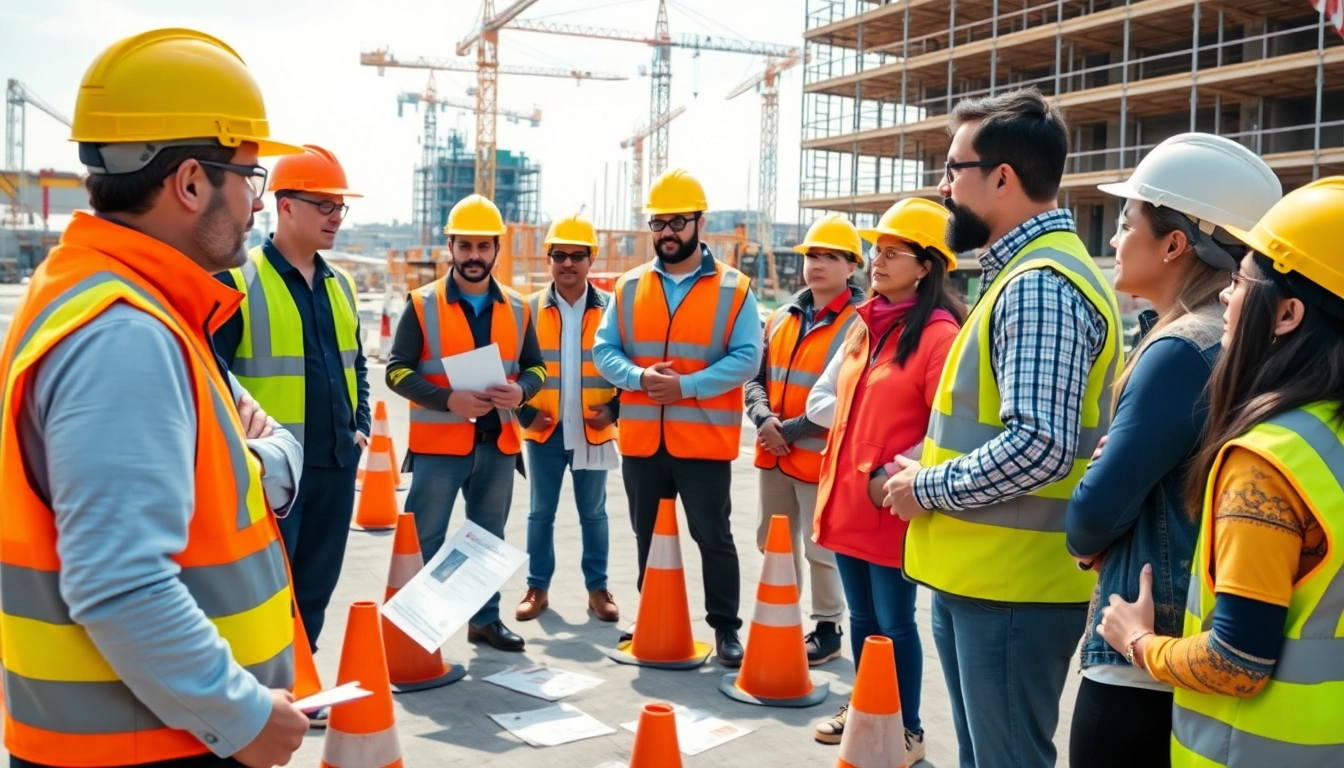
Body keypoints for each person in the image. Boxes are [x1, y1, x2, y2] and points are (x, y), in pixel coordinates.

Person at [0, 28, 312, 768]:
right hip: (149, 748)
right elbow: (121, 582)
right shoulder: (125, 336)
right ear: (192, 183)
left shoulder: (121, 302)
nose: (255, 206)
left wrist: (246, 457)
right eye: (249, 177)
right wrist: (241, 717)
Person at [880, 88, 1125, 768]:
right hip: (989, 581)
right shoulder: (1023, 273)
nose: (942, 187)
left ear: (1002, 179)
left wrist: (926, 487)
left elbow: (1040, 445)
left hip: (1013, 590)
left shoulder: (1040, 284)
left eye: (952, 169)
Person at [1097, 177, 1344, 768]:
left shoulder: (1267, 464)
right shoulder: (1324, 436)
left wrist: (1138, 642)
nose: (1228, 298)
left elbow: (1237, 661)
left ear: (1286, 313)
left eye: (1241, 282)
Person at [1063, 134, 1282, 768]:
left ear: (1174, 244)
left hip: (1139, 656)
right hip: (1189, 652)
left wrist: (1096, 518)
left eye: (1126, 222)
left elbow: (1090, 518)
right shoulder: (1239, 342)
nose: (1114, 240)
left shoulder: (1183, 349)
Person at [806, 199, 966, 763]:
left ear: (926, 265)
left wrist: (891, 474)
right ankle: (865, 708)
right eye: (878, 249)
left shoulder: (939, 335)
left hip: (890, 503)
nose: (878, 259)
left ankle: (908, 729)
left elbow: (947, 427)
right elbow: (830, 401)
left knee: (895, 625)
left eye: (894, 252)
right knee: (863, 619)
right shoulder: (866, 325)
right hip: (848, 501)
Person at [592, 167, 761, 666]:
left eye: (677, 222)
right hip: (643, 442)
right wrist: (640, 377)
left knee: (713, 538)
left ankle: (725, 628)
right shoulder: (628, 286)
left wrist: (685, 386)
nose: (667, 232)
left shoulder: (734, 288)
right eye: (659, 223)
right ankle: (653, 617)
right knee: (648, 537)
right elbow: (604, 350)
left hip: (703, 443)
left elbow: (747, 358)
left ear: (699, 223)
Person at [215, 144, 371, 658]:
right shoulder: (238, 280)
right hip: (274, 476)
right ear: (285, 206)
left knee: (315, 594)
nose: (336, 216)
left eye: (339, 206)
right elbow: (212, 377)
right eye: (324, 205)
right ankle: (270, 687)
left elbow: (356, 365)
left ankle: (302, 684)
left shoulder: (342, 284)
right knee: (267, 596)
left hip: (336, 466)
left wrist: (361, 426)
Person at [385, 194, 546, 653]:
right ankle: (413, 631)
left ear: (497, 249)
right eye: (465, 246)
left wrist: (522, 391)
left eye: (483, 246)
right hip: (439, 447)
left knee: (486, 541)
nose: (474, 255)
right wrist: (446, 400)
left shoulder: (519, 307)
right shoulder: (422, 304)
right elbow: (396, 371)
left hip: (498, 446)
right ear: (451, 247)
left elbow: (536, 367)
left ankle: (485, 620)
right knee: (424, 538)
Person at [745, 213, 862, 666]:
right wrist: (763, 420)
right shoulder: (780, 317)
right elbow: (756, 379)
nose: (817, 264)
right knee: (771, 540)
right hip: (773, 454)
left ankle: (828, 628)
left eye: (830, 256)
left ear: (851, 266)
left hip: (821, 459)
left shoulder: (860, 323)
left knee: (821, 548)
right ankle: (781, 617)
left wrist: (789, 431)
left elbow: (852, 396)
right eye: (813, 255)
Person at [515, 214, 622, 624]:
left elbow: (631, 367)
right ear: (548, 259)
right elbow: (509, 368)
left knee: (593, 513)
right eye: (559, 254)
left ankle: (598, 589)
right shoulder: (527, 310)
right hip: (544, 431)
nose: (568, 263)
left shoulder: (613, 310)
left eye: (577, 255)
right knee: (540, 512)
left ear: (591, 259)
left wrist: (615, 410)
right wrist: (525, 412)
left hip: (594, 429)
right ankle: (537, 587)